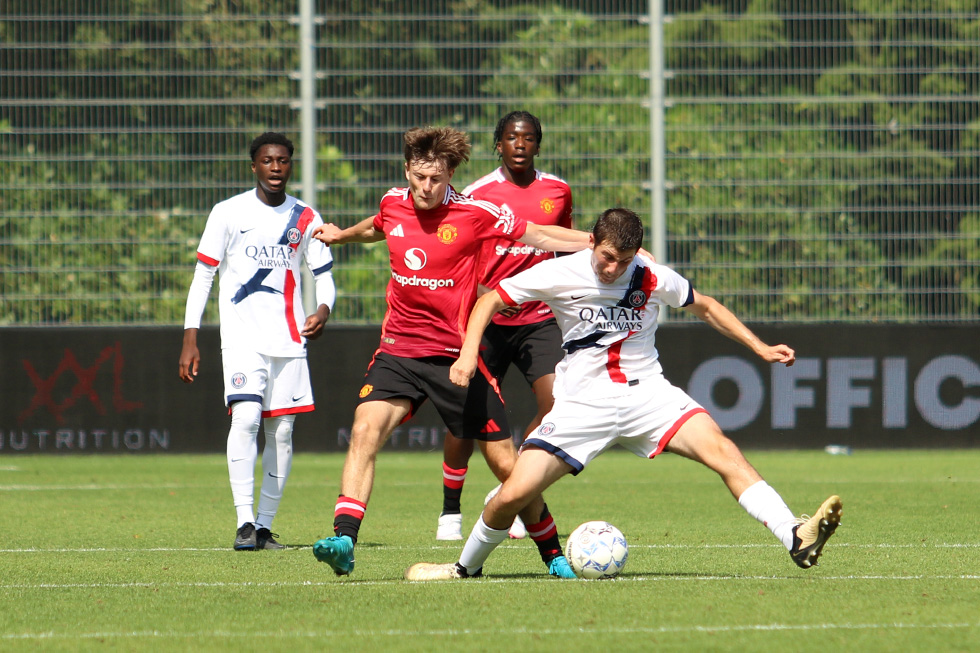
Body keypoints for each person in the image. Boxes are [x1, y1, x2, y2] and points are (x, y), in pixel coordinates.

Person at [405, 208, 842, 581]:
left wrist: (760, 346)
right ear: (591, 241)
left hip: (648, 397)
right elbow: (489, 302)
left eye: (624, 260)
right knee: (512, 495)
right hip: (581, 406)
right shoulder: (559, 272)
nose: (613, 269)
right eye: (607, 257)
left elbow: (705, 305)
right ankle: (463, 569)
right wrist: (466, 355)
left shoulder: (650, 276)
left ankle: (794, 536)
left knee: (725, 452)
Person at [309, 126, 591, 577]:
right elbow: (377, 227)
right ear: (407, 172)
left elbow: (537, 235)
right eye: (419, 177)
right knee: (365, 431)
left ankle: (553, 553)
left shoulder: (475, 213)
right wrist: (342, 236)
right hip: (398, 351)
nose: (426, 187)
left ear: (450, 175)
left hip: (453, 355)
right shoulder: (391, 202)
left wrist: (598, 244)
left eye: (435, 178)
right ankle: (345, 537)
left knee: (505, 464)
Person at [178, 132, 336, 551]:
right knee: (246, 419)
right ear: (254, 166)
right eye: (268, 160)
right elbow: (204, 275)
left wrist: (323, 310)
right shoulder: (228, 212)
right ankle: (244, 522)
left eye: (283, 160)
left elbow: (324, 276)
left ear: (290, 165)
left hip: (289, 341)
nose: (276, 168)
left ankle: (264, 527)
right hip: (242, 339)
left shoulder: (305, 217)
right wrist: (190, 335)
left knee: (281, 432)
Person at [436, 111, 572, 542]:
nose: (519, 144)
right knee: (464, 414)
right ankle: (450, 512)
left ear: (538, 145)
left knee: (557, 405)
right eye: (512, 138)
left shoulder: (558, 191)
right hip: (489, 317)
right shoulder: (477, 195)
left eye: (528, 138)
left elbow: (563, 248)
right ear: (498, 144)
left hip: (539, 318)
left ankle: (510, 485)